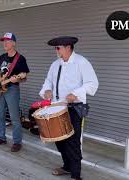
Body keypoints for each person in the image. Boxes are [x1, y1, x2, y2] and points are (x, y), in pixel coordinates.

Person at [39, 36, 99, 180]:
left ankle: (76, 175)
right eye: (55, 48)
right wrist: (47, 90)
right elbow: (48, 81)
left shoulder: (81, 62)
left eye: (58, 48)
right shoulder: (55, 64)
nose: (56, 50)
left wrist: (76, 93)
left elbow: (92, 83)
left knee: (72, 141)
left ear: (68, 47)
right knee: (58, 139)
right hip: (57, 107)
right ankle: (67, 166)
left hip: (73, 108)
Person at [0, 32, 30, 152]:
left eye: (7, 41)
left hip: (12, 89)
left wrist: (18, 78)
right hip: (0, 89)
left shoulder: (20, 59)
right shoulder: (2, 57)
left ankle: (17, 142)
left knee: (14, 117)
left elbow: (25, 76)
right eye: (3, 41)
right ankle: (1, 137)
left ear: (14, 43)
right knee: (0, 115)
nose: (5, 43)